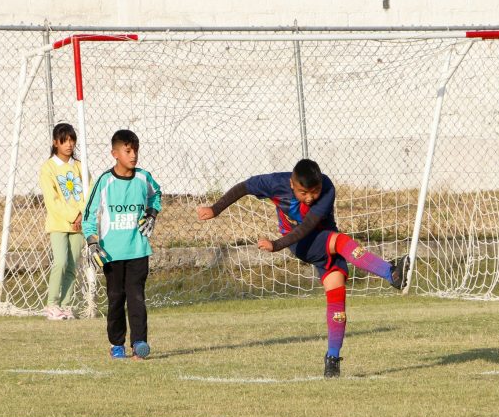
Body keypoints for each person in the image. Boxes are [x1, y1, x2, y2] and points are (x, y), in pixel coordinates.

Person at [196, 159, 408, 378]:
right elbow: (245, 187)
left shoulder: (327, 187)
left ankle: (332, 360)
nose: (309, 197)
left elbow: (308, 226)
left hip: (321, 239)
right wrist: (215, 209)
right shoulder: (274, 183)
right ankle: (391, 273)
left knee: (337, 296)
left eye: (314, 192)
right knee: (342, 241)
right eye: (303, 192)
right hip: (301, 244)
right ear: (291, 184)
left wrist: (276, 244)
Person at [83, 130, 162, 360]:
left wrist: (151, 214)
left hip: (138, 250)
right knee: (116, 297)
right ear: (115, 153)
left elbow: (156, 195)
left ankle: (139, 343)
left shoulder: (143, 177)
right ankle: (116, 343)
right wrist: (91, 241)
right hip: (111, 253)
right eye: (128, 151)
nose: (133, 155)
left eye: (136, 150)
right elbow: (89, 214)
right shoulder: (105, 181)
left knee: (136, 297)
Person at [39, 123, 86, 320]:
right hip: (60, 223)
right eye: (64, 140)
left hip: (80, 224)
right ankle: (51, 304)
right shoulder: (48, 168)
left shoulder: (79, 166)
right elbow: (52, 199)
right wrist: (73, 215)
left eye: (71, 140)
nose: (69, 144)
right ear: (55, 142)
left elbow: (89, 191)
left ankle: (66, 305)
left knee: (73, 265)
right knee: (60, 261)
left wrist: (83, 215)